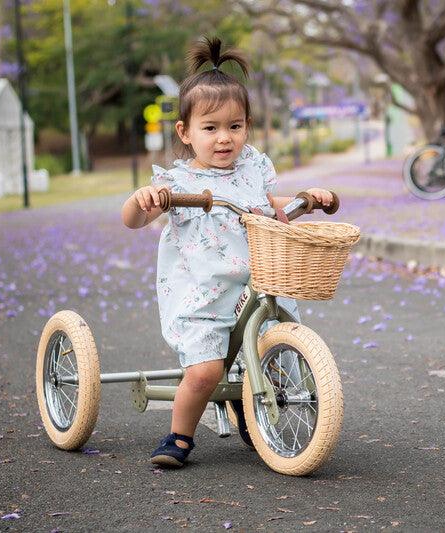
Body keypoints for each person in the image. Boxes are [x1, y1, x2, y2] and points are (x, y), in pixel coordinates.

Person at [120, 36, 333, 468]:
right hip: (204, 295)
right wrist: (143, 200)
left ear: (247, 127)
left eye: (234, 127)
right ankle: (180, 436)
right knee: (205, 372)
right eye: (211, 128)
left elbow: (268, 205)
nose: (224, 138)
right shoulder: (177, 184)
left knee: (271, 355)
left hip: (255, 284)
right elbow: (134, 220)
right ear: (185, 132)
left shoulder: (252, 170)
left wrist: (306, 199)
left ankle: (256, 410)